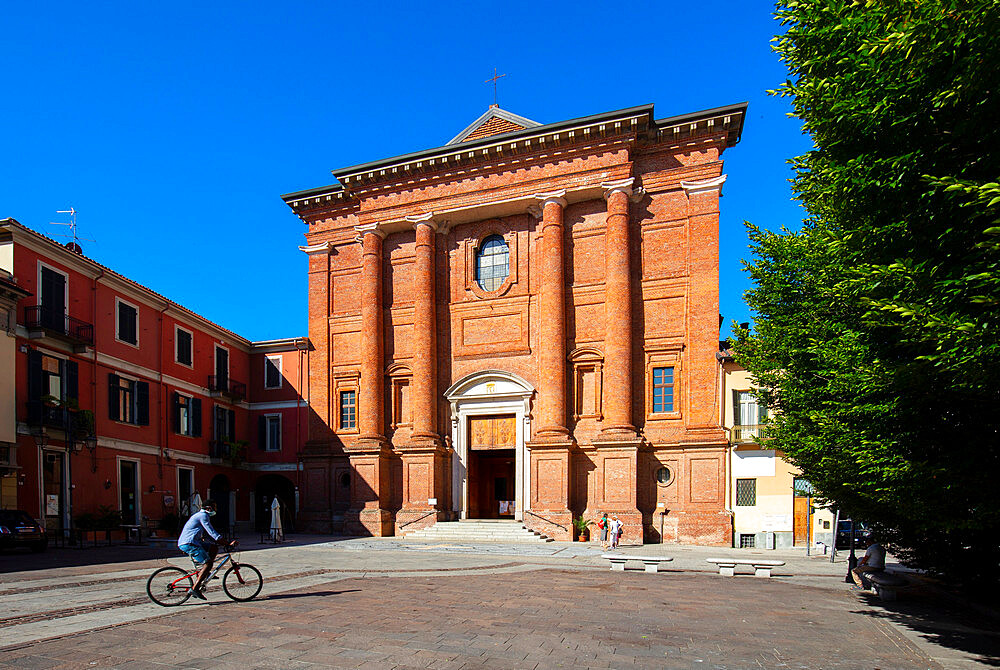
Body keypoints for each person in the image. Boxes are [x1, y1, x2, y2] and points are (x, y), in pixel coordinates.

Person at [177, 500, 233, 600]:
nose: (216, 510)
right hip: (190, 543)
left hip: (193, 541)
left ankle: (205, 573)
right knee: (208, 564)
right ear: (209, 508)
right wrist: (227, 543)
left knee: (213, 547)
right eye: (214, 507)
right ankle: (195, 588)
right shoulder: (203, 516)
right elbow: (211, 532)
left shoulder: (199, 515)